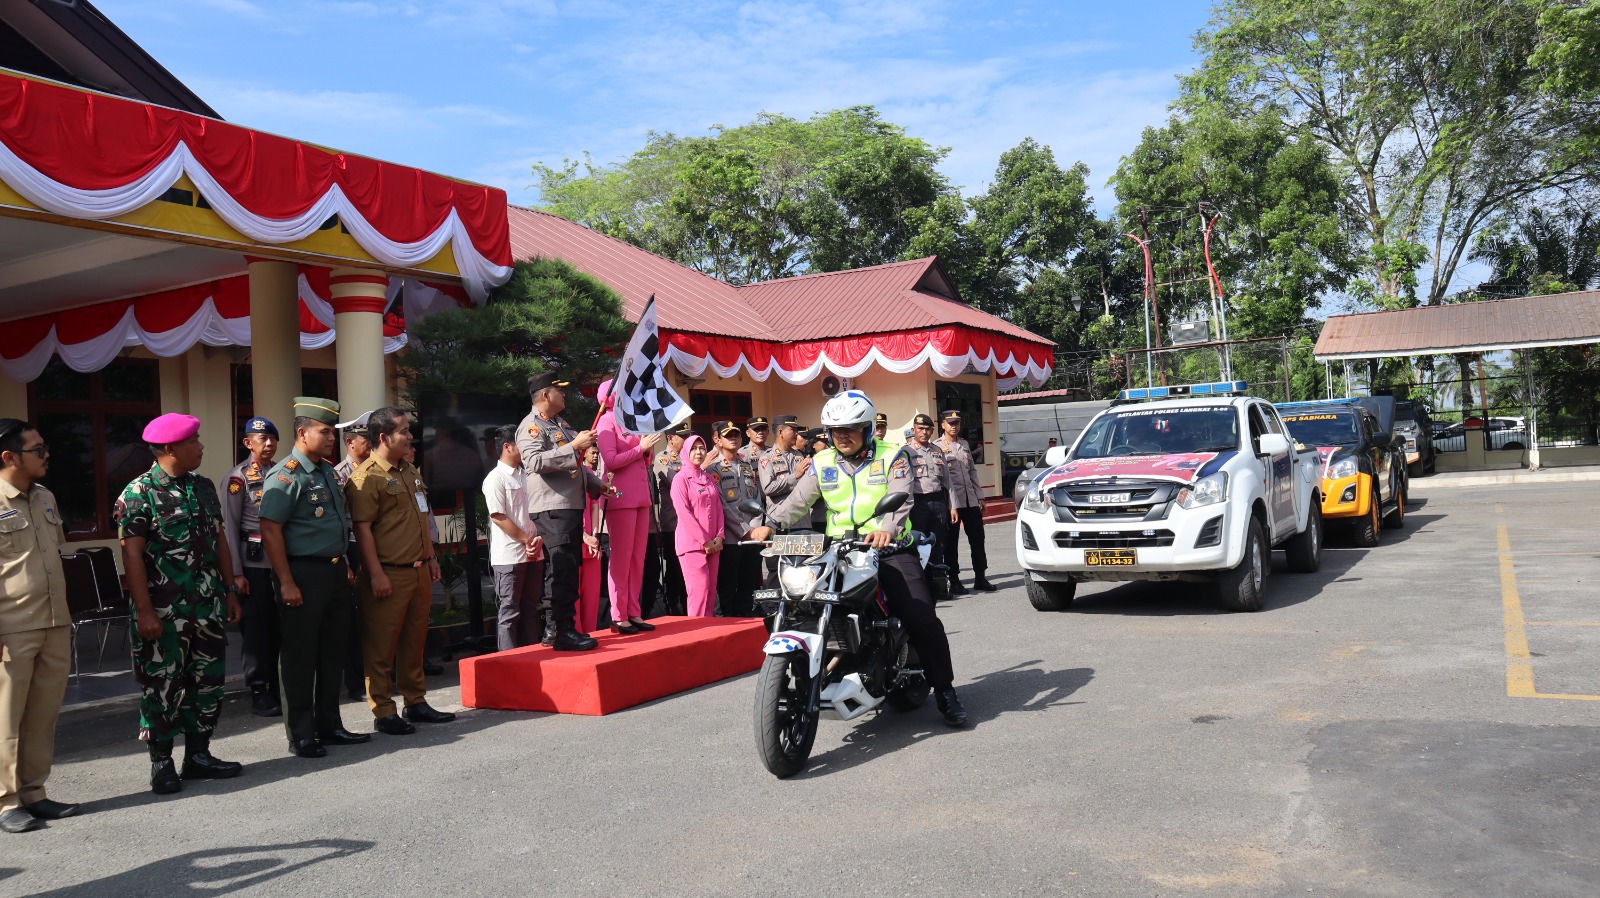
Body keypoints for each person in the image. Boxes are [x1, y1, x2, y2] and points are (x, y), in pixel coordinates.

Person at [767, 391, 968, 726]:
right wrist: (769, 523)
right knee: (783, 596)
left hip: (889, 548)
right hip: (838, 550)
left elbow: (901, 497)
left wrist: (887, 528)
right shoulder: (822, 462)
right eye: (835, 430)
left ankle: (946, 692)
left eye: (850, 429)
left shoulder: (893, 455)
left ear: (865, 428)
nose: (842, 437)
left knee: (921, 617)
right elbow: (798, 501)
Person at [114, 413, 245, 793]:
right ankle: (162, 762)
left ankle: (199, 755)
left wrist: (230, 590)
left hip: (207, 604)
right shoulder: (139, 493)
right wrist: (144, 610)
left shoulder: (203, 488)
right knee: (162, 685)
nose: (201, 447)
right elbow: (132, 555)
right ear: (170, 448)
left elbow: (219, 539)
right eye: (194, 442)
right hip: (164, 611)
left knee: (207, 681)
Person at [258, 397, 372, 759]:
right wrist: (286, 581)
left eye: (331, 433)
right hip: (302, 573)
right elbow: (271, 531)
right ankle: (301, 732)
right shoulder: (286, 474)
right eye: (324, 432)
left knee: (332, 649)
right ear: (302, 432)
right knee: (300, 654)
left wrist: (345, 565)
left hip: (335, 570)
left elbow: (336, 522)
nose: (330, 439)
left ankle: (330, 723)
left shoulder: (325, 470)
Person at [346, 407, 454, 737]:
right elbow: (362, 531)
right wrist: (375, 574)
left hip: (419, 569)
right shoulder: (366, 478)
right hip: (387, 573)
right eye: (404, 431)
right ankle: (384, 710)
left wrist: (431, 556)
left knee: (413, 641)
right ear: (383, 437)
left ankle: (415, 701)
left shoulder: (410, 472)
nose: (410, 437)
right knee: (381, 646)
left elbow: (421, 518)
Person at [0, 419, 77, 833]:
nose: (46, 455)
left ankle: (33, 792)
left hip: (53, 621)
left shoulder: (45, 496)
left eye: (45, 447)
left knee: (43, 714)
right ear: (9, 457)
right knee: (5, 716)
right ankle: (5, 801)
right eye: (38, 449)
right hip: (11, 625)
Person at [517, 373, 608, 651]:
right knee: (561, 569)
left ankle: (557, 629)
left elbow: (577, 464)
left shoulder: (561, 424)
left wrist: (596, 484)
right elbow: (532, 461)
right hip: (552, 506)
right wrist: (573, 445)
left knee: (567, 568)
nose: (564, 395)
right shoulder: (531, 426)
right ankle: (562, 630)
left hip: (569, 505)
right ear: (545, 395)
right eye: (560, 390)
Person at [220, 417, 283, 717]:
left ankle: (277, 687)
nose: (268, 444)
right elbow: (230, 529)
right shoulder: (238, 478)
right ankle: (259, 691)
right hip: (252, 563)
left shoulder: (284, 473)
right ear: (248, 443)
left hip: (280, 564)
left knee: (278, 627)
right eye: (262, 439)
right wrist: (235, 573)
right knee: (256, 630)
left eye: (272, 438)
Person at [595, 379, 663, 635]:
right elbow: (611, 461)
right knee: (621, 560)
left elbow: (646, 461)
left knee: (638, 558)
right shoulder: (606, 421)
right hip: (619, 497)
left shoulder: (633, 420)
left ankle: (633, 611)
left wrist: (647, 450)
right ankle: (618, 614)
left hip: (641, 497)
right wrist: (640, 448)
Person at [483, 425, 543, 651]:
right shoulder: (495, 478)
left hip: (535, 552)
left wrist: (537, 541)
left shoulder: (528, 474)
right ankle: (508, 660)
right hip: (509, 555)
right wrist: (528, 540)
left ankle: (531, 655)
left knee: (530, 608)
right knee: (510, 610)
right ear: (507, 447)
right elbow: (498, 516)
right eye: (521, 443)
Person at [702, 421, 765, 617]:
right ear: (717, 440)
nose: (733, 439)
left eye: (736, 435)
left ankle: (745, 623)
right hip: (730, 538)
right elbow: (721, 505)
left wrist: (754, 529)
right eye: (728, 436)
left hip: (752, 536)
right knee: (727, 587)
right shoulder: (713, 468)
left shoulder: (746, 466)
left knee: (748, 584)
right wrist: (744, 530)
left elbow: (756, 499)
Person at [333, 410, 372, 701]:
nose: (370, 445)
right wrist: (346, 560)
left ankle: (379, 675)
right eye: (364, 440)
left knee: (376, 616)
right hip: (352, 547)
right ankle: (356, 682)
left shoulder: (378, 469)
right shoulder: (339, 474)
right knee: (354, 618)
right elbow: (339, 520)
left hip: (377, 547)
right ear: (350, 443)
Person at [937, 410, 995, 594]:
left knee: (978, 540)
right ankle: (954, 580)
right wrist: (948, 504)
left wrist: (980, 496)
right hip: (952, 504)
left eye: (957, 423)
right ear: (943, 425)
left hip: (970, 501)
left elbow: (972, 472)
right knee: (951, 543)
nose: (954, 426)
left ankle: (980, 578)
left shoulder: (964, 444)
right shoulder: (937, 446)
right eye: (950, 423)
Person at [669, 435, 723, 617]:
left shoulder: (709, 478)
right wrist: (704, 540)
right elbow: (684, 513)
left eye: (702, 448)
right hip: (692, 545)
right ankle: (697, 633)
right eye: (694, 448)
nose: (699, 452)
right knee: (699, 592)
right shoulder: (680, 479)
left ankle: (708, 635)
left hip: (713, 545)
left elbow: (718, 508)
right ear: (686, 451)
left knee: (710, 592)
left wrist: (719, 536)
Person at [905, 413, 954, 588]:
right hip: (917, 504)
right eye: (920, 429)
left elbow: (947, 482)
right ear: (914, 430)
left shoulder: (937, 451)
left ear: (932, 431)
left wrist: (952, 506)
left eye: (927, 429)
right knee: (918, 544)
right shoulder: (906, 452)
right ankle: (920, 585)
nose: (924, 432)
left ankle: (938, 584)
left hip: (938, 502)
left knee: (938, 543)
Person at [651, 422, 692, 616]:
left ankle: (687, 602)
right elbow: (678, 482)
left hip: (691, 522)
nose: (686, 440)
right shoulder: (663, 458)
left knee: (689, 567)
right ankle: (673, 601)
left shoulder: (689, 457)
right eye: (682, 436)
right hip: (673, 522)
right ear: (671, 438)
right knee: (674, 567)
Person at [578, 445, 607, 633]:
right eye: (591, 452)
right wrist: (583, 536)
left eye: (597, 452)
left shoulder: (589, 474)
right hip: (575, 539)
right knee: (574, 593)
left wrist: (595, 536)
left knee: (591, 591)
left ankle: (590, 631)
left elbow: (595, 506)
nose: (595, 455)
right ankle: (575, 632)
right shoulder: (567, 474)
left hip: (592, 541)